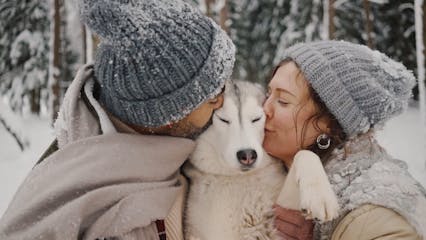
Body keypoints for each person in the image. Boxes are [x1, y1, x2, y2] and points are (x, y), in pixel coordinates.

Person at [0, 0, 235, 239]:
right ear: (167, 117)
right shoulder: (110, 221)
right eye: (213, 97)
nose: (224, 103)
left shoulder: (110, 136)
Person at [264, 40, 426, 239]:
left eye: (283, 101)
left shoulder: (375, 216)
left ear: (330, 124)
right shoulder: (260, 174)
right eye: (268, 94)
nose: (263, 110)